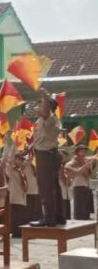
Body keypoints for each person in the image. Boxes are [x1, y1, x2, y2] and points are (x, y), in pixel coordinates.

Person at [31, 94, 64, 226]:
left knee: (46, 188)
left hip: (46, 155)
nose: (37, 107)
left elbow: (45, 111)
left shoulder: (49, 119)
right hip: (46, 154)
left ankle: (49, 218)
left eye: (40, 105)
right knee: (53, 187)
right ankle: (58, 216)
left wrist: (44, 96)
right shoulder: (42, 121)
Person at [64, 145, 96, 221]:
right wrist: (84, 166)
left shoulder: (86, 160)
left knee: (86, 207)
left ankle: (86, 220)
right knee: (79, 206)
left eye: (85, 151)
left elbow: (93, 159)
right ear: (77, 152)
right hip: (78, 184)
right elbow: (70, 169)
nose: (84, 152)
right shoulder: (73, 161)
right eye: (82, 150)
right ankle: (79, 221)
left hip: (86, 184)